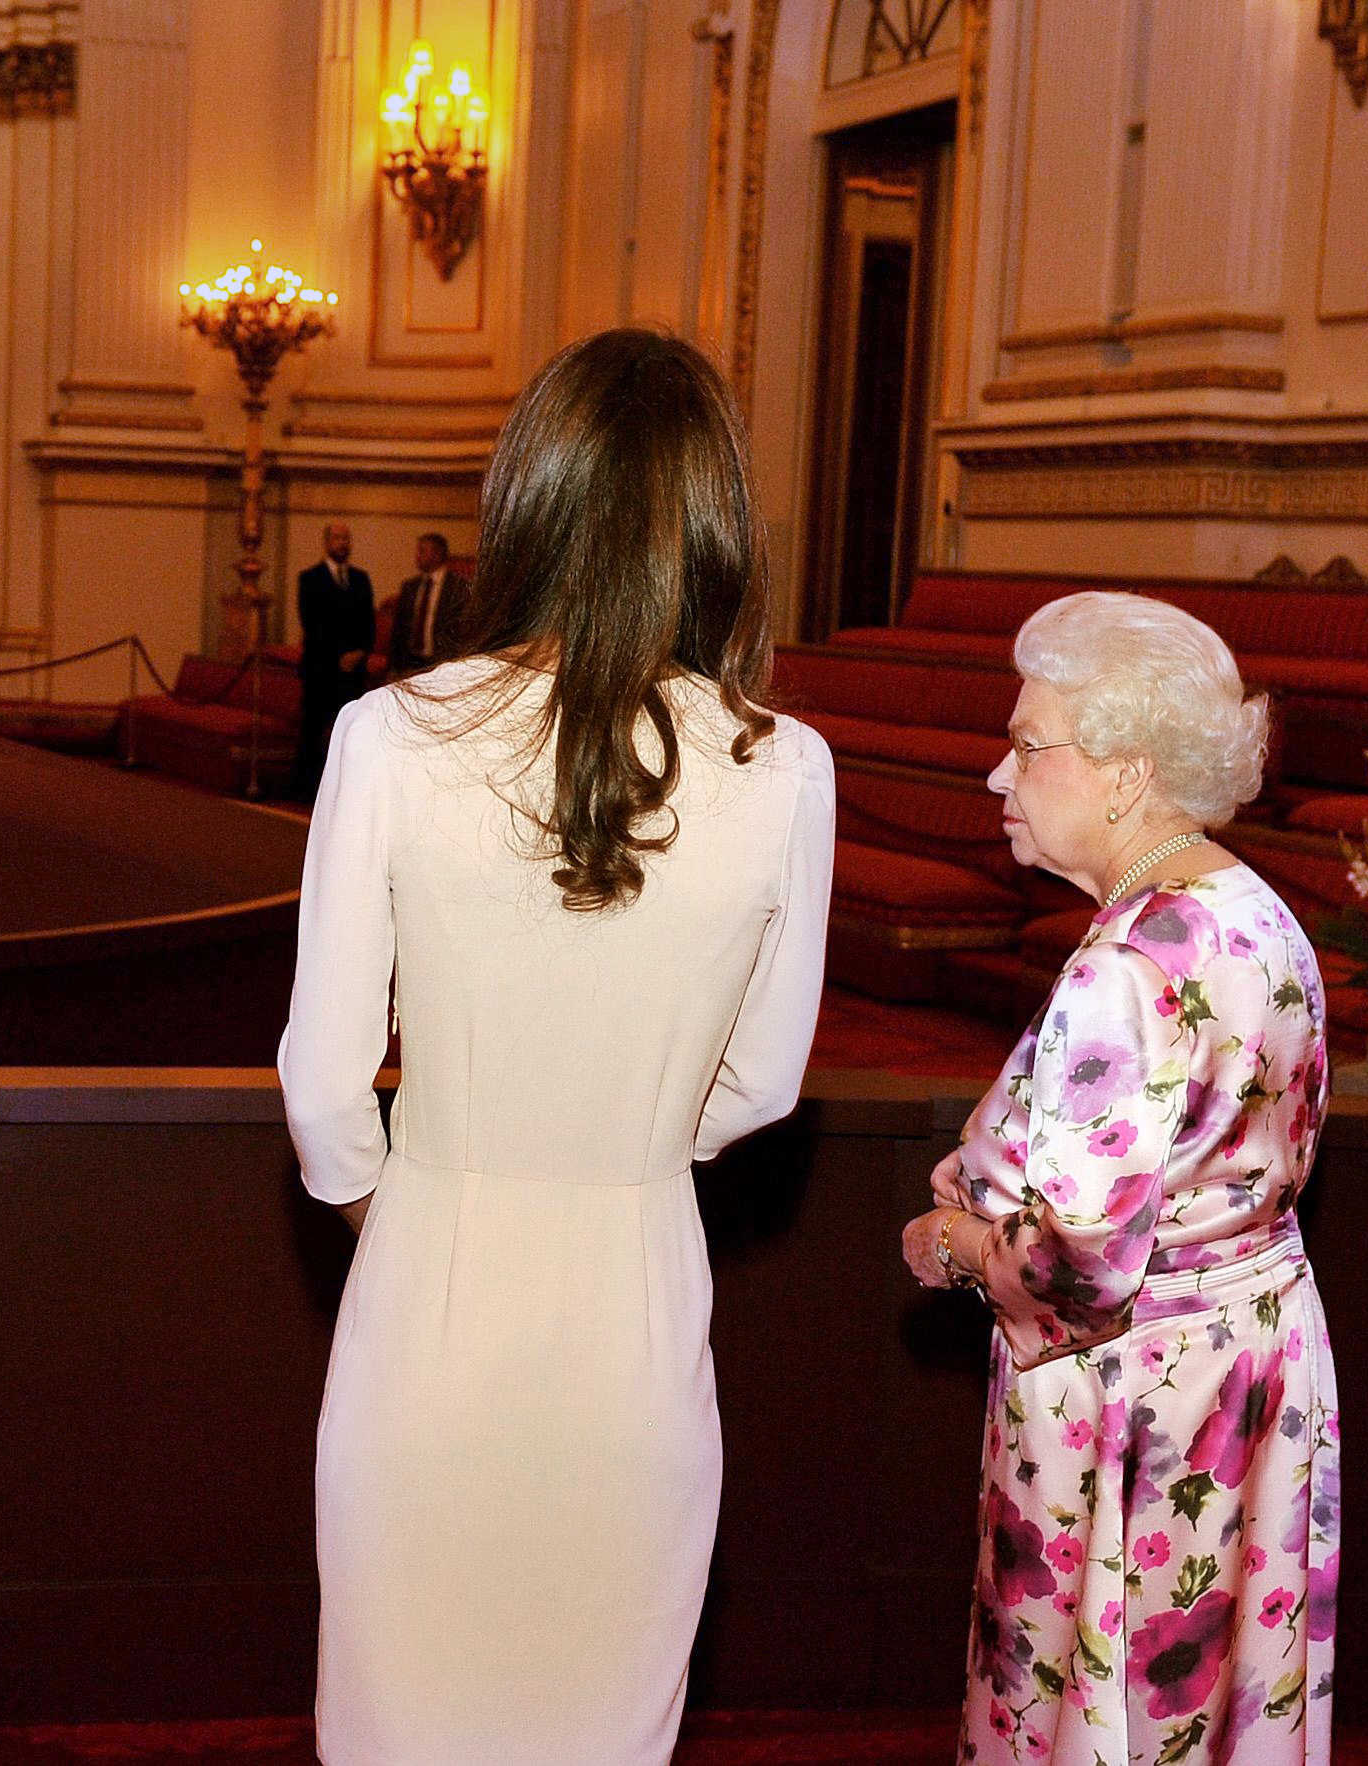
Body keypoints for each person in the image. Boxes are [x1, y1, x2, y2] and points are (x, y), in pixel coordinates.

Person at [278, 329, 834, 1764]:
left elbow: (328, 1090)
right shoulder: (785, 765)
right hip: (636, 1296)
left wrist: (412, 1200)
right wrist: (631, 1148)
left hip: (430, 1291)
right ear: (718, 519)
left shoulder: (390, 734)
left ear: (525, 500)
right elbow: (765, 1081)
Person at [900, 592, 1338, 1763]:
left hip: (1126, 1398)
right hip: (1248, 1363)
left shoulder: (1128, 962)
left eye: (1028, 743)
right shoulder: (1256, 911)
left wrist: (944, 1239)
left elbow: (1071, 1265)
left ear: (1124, 770)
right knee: (1201, 1703)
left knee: (1094, 1713)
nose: (999, 775)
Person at [292, 522, 375, 799]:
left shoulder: (361, 579)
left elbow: (368, 623)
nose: (343, 543)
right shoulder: (310, 578)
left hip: (353, 671)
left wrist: (358, 653)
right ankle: (307, 790)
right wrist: (339, 656)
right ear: (326, 542)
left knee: (351, 732)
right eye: (338, 538)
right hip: (321, 668)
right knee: (313, 730)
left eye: (346, 538)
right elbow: (313, 625)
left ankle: (346, 790)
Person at [386, 531, 455, 676]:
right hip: (410, 664)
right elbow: (399, 630)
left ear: (437, 555)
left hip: (442, 665)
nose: (417, 556)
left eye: (422, 551)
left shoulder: (457, 588)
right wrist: (394, 667)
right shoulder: (410, 587)